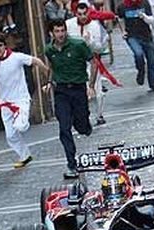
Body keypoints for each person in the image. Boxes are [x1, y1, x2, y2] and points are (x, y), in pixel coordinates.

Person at [0, 33, 49, 168]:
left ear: (5, 45)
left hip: (21, 99)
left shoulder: (16, 57)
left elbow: (35, 61)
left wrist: (47, 73)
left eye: (0, 45)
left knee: (20, 126)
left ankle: (22, 120)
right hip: (4, 102)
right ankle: (25, 156)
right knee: (10, 136)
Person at [44, 19, 96, 179]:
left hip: (78, 89)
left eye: (62, 30)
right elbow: (51, 66)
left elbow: (93, 62)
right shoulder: (49, 50)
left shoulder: (78, 45)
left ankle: (84, 125)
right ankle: (71, 163)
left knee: (82, 127)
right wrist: (48, 82)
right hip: (61, 92)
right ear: (51, 33)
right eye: (57, 31)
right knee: (64, 128)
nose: (60, 34)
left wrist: (91, 85)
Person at [66, 2, 118, 126]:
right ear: (75, 14)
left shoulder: (95, 26)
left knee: (97, 91)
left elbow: (100, 48)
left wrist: (90, 42)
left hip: (92, 61)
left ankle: (99, 115)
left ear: (89, 12)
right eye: (80, 14)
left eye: (85, 13)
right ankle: (83, 116)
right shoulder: (69, 25)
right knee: (81, 92)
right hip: (75, 63)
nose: (83, 16)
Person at [117, 0, 154, 91]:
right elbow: (120, 19)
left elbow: (151, 20)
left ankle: (153, 84)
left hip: (146, 35)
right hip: (132, 35)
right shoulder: (122, 6)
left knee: (152, 61)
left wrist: (144, 17)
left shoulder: (144, 3)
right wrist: (123, 31)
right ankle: (141, 70)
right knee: (138, 53)